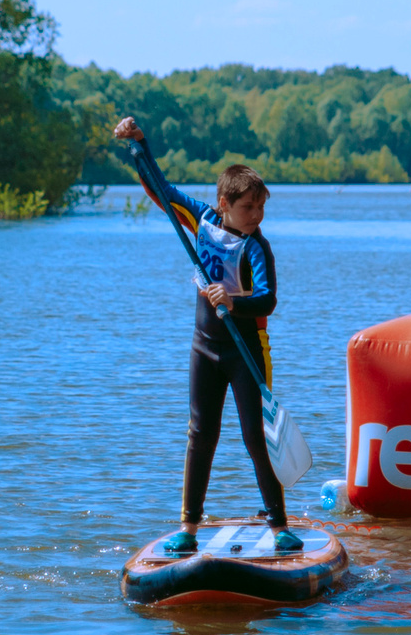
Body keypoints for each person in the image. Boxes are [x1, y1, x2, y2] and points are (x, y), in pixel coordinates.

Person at [113, 117, 297, 554]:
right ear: (224, 203)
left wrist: (234, 301)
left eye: (261, 208)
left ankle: (278, 526)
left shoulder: (257, 248)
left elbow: (268, 300)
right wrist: (141, 144)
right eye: (249, 208)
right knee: (201, 433)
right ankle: (189, 528)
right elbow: (160, 190)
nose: (257, 216)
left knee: (256, 436)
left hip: (247, 350)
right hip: (204, 347)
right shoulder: (200, 219)